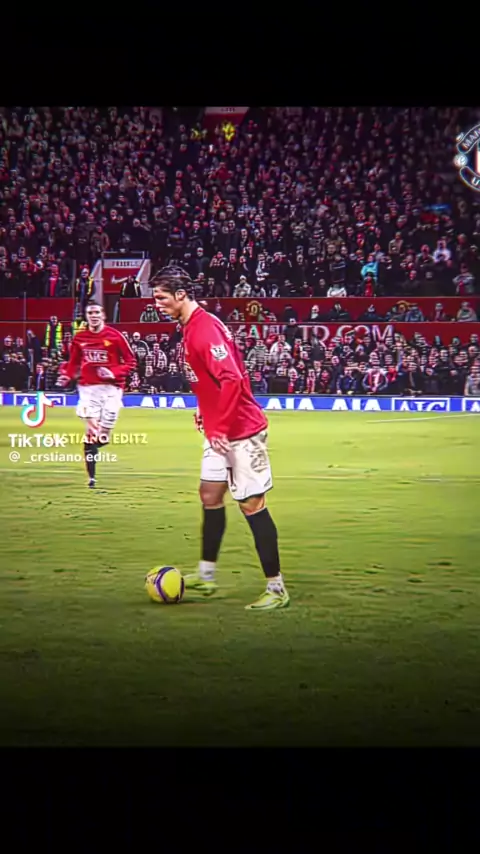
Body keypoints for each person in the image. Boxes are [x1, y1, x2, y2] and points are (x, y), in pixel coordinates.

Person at [152, 265, 289, 612]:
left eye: (161, 297)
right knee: (210, 494)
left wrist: (218, 428)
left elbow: (231, 379)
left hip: (240, 431)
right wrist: (205, 411)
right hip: (220, 429)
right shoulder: (192, 327)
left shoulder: (204, 329)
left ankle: (276, 589)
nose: (157, 304)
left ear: (181, 295)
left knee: (252, 505)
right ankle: (206, 576)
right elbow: (209, 380)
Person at [56, 301, 137, 488]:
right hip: (88, 389)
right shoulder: (80, 338)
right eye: (90, 313)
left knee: (103, 436)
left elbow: (131, 362)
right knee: (91, 433)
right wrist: (67, 376)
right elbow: (74, 363)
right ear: (86, 317)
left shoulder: (115, 336)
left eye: (96, 312)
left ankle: (95, 445)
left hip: (112, 389)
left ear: (103, 316)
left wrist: (113, 372)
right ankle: (91, 477)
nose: (93, 316)